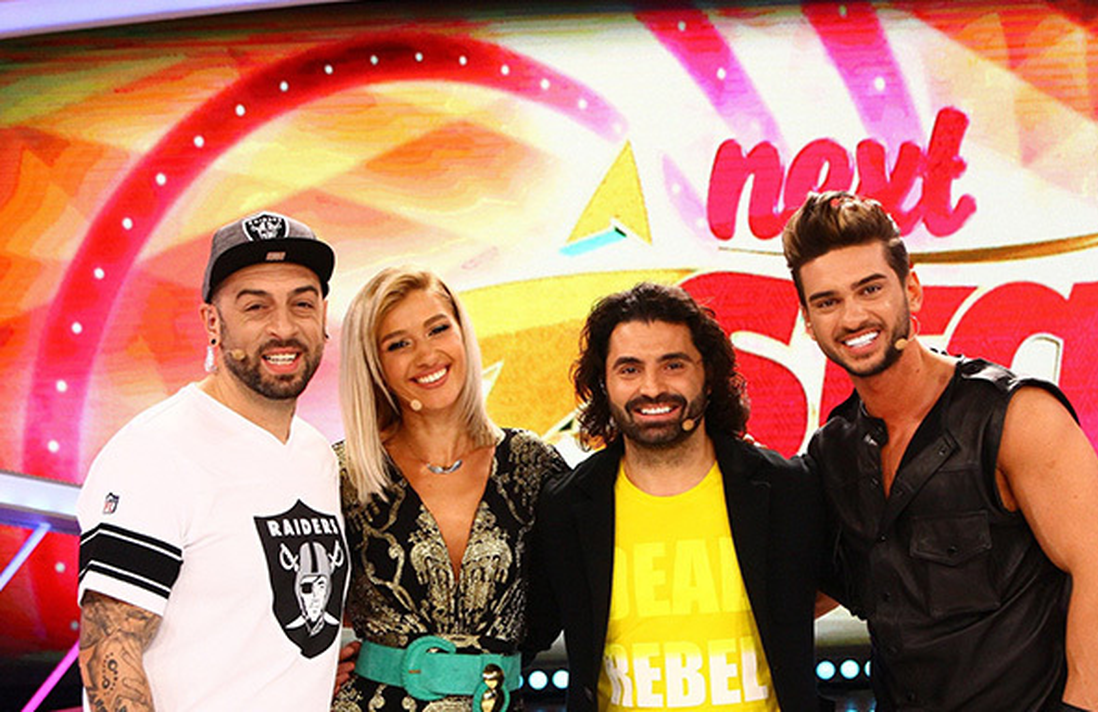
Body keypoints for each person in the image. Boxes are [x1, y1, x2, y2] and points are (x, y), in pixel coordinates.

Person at [781, 191, 1098, 711]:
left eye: (870, 289)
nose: (853, 316)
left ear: (912, 290)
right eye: (827, 302)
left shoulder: (1018, 416)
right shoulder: (834, 451)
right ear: (807, 320)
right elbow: (810, 592)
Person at [77, 211, 348, 710]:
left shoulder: (318, 456)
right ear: (212, 322)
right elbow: (111, 647)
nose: (283, 327)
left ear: (323, 316)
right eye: (256, 307)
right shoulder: (154, 453)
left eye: (302, 303)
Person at [525, 282, 838, 712]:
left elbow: (864, 585)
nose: (652, 387)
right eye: (629, 369)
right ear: (604, 385)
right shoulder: (565, 509)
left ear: (708, 377)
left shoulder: (787, 490)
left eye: (673, 365)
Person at [332, 267, 568, 711]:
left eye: (437, 329)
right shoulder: (344, 474)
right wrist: (307, 675)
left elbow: (568, 600)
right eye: (398, 344)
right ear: (374, 364)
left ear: (462, 332)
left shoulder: (531, 463)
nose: (426, 355)